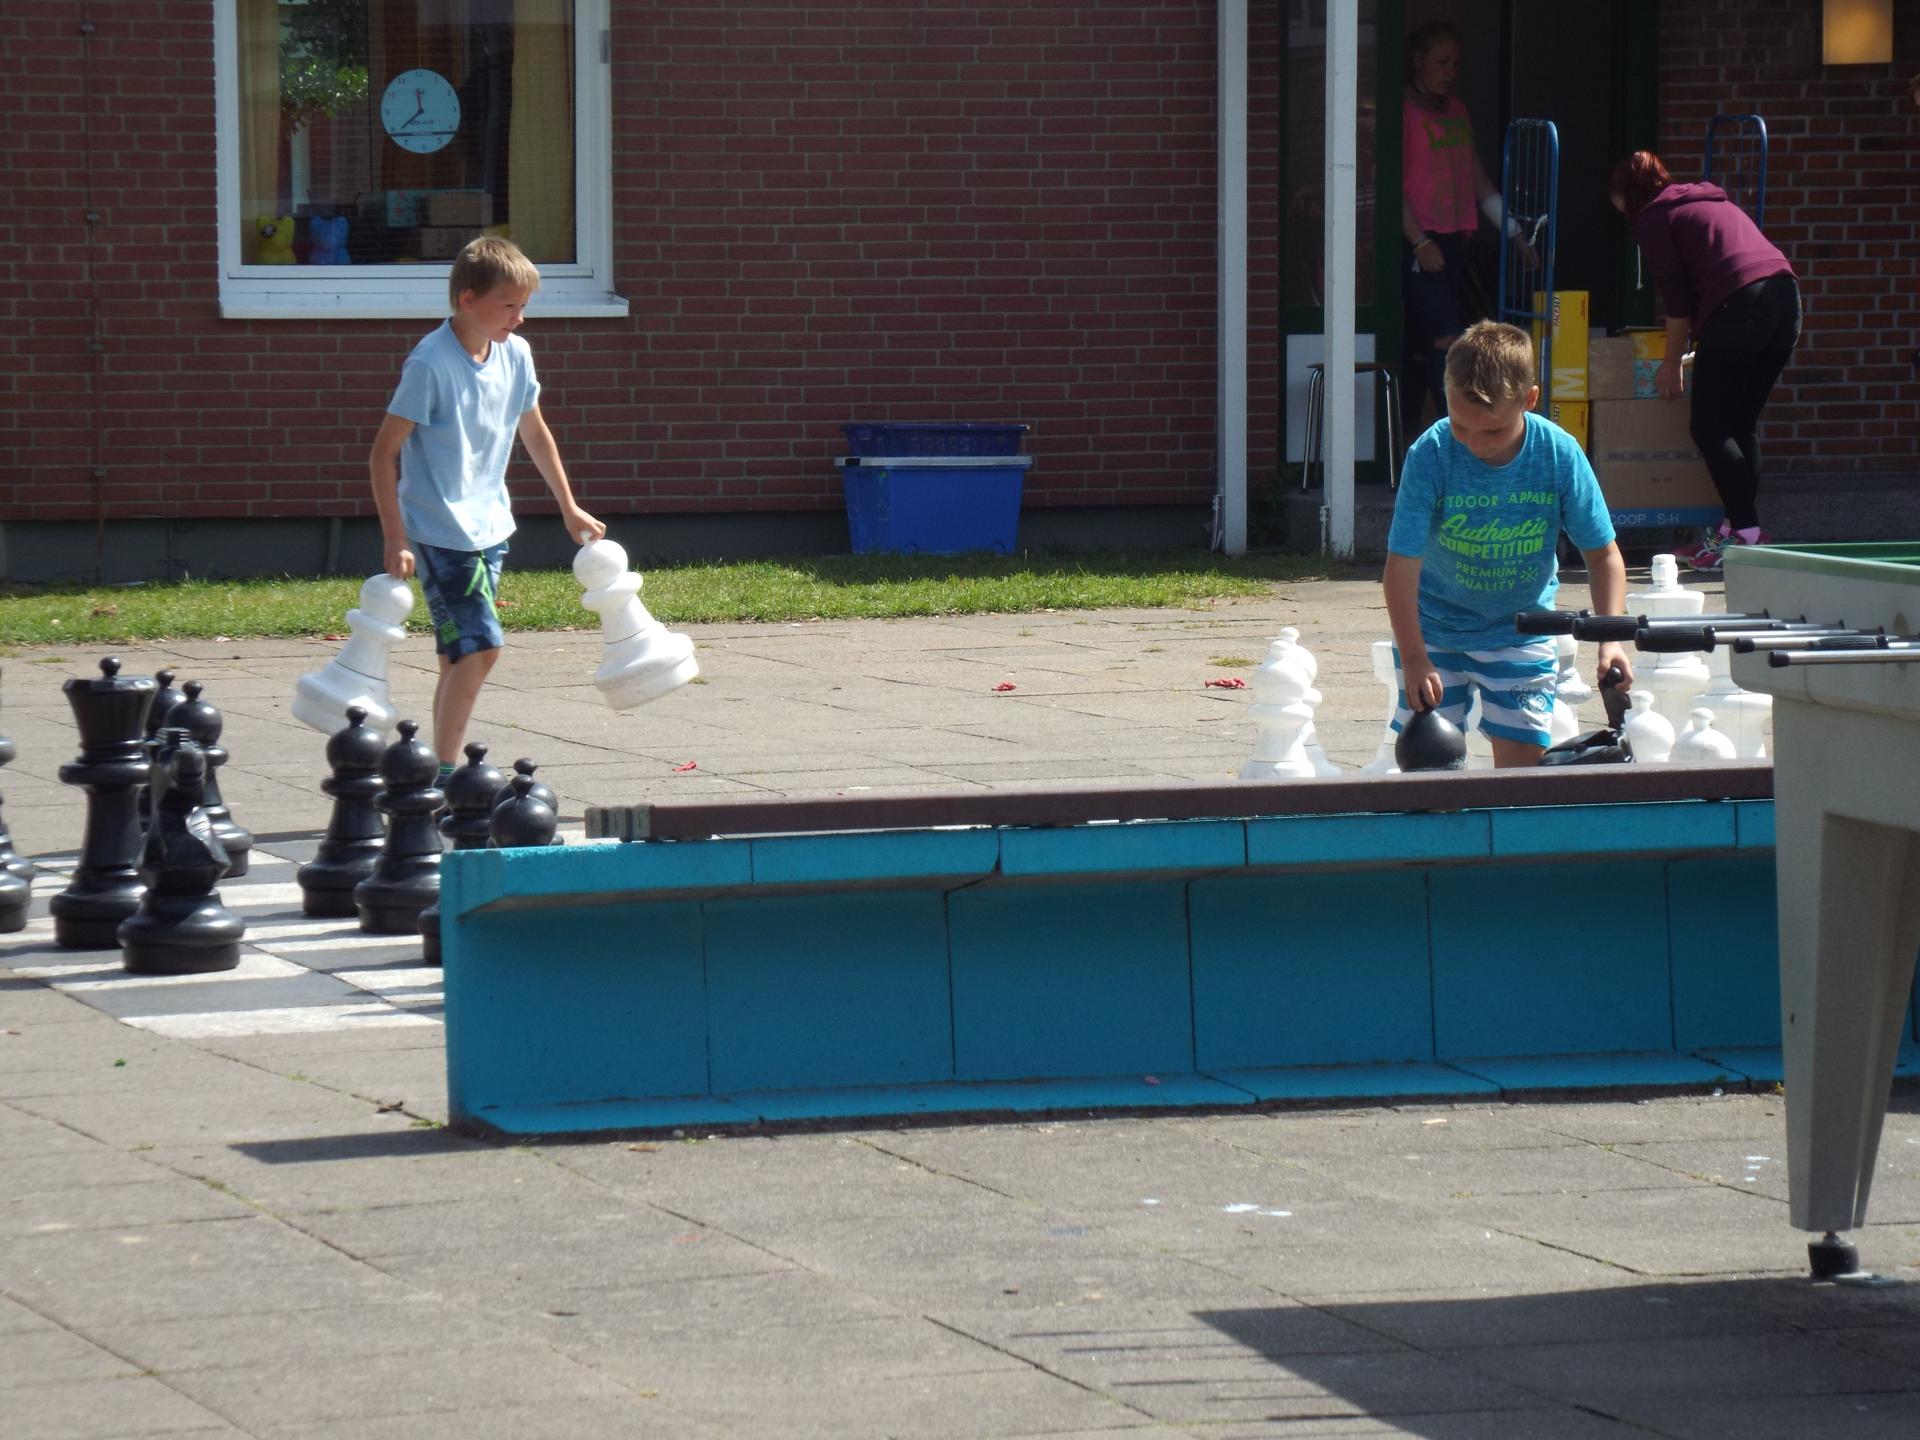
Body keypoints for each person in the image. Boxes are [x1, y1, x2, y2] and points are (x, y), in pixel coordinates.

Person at [369, 236, 606, 776]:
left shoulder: (516, 355)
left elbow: (535, 433)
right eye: (509, 305)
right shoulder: (430, 364)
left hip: (490, 529)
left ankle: (434, 772)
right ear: (468, 299)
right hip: (440, 532)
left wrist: (568, 507)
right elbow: (383, 453)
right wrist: (395, 537)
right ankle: (444, 776)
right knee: (482, 649)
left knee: (458, 656)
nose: (520, 318)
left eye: (525, 306)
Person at [1383, 321, 1632, 769]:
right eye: (1460, 425)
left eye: (1492, 431)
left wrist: (1610, 638)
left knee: (1520, 776)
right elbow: (1401, 566)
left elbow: (1603, 555)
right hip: (1434, 632)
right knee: (1428, 772)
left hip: (1521, 633)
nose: (1474, 443)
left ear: (1530, 399)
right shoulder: (1431, 453)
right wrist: (1415, 657)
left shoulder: (1558, 453)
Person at [1610, 151, 1800, 572]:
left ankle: (1745, 533)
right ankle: (1738, 530)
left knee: (1709, 427)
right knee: (1740, 425)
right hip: (1786, 299)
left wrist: (1670, 363)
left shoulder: (1655, 217)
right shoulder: (1707, 202)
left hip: (1740, 306)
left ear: (1628, 193)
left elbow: (1677, 302)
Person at [1399, 20, 1532, 438]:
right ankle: (1457, 434)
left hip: (1456, 240)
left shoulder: (1457, 111)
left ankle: (1407, 435)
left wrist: (1515, 234)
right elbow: (1389, 185)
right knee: (1445, 339)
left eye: (1456, 63)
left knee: (1423, 343)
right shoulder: (1401, 112)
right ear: (1418, 61)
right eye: (1442, 62)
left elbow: (1478, 179)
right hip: (1422, 240)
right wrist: (1418, 241)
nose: (1450, 71)